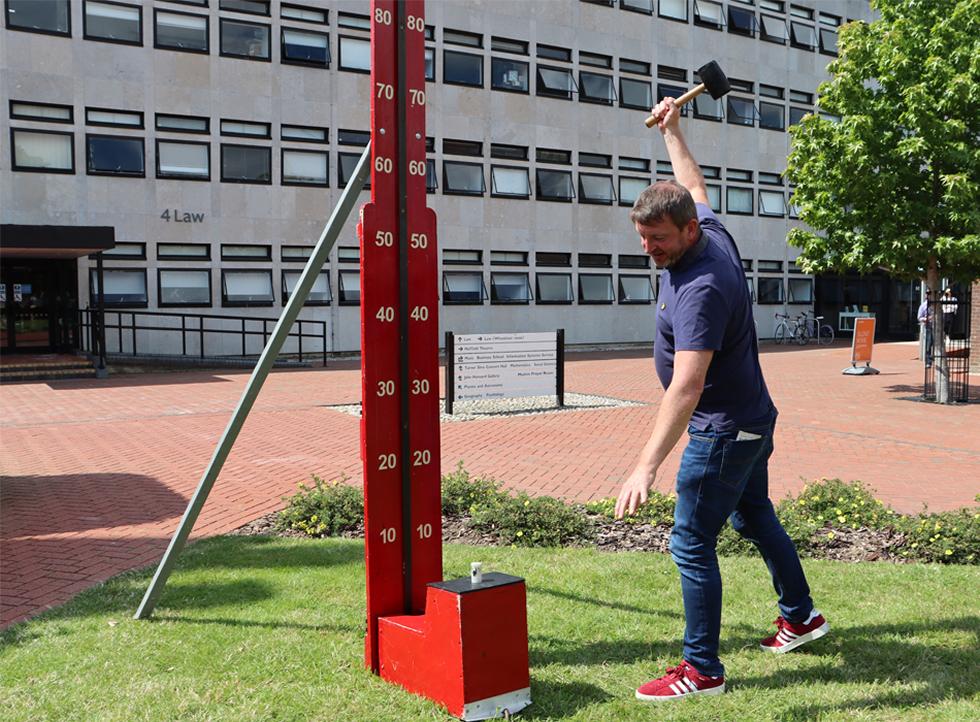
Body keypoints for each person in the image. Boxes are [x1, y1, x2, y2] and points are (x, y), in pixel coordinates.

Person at [614, 97, 828, 702]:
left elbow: (686, 385)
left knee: (690, 540)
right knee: (754, 515)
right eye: (643, 239)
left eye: (657, 240)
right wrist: (673, 133)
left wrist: (646, 465)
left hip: (722, 430)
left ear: (685, 232)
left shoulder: (701, 286)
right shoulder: (706, 228)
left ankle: (701, 670)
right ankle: (801, 617)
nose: (649, 250)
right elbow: (693, 182)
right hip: (752, 420)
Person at [917, 290, 933, 367]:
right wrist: (926, 319)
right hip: (929, 326)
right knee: (928, 344)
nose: (929, 295)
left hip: (936, 327)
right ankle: (928, 361)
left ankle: (935, 359)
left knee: (936, 343)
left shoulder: (936, 305)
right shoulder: (923, 306)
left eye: (930, 294)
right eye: (927, 294)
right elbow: (919, 317)